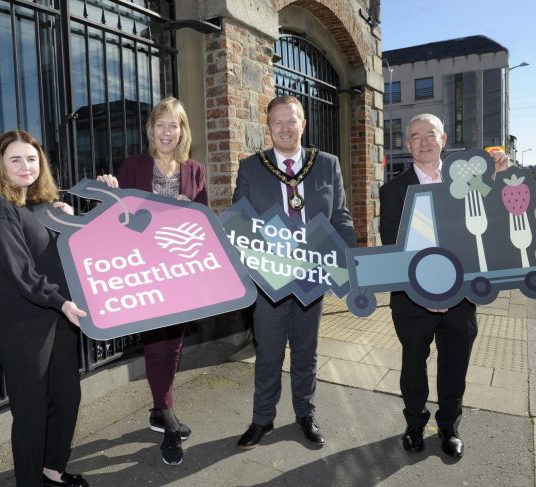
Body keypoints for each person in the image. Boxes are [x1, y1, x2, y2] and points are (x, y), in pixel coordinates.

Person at [379, 113, 509, 459]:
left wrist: (497, 176)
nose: (424, 141)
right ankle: (415, 425)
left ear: (444, 139)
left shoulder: (467, 181)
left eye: (430, 134)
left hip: (461, 298)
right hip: (411, 299)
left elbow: (491, 223)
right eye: (415, 136)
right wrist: (425, 293)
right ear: (408, 146)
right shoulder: (392, 190)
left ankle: (449, 426)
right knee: (413, 366)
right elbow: (393, 246)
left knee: (455, 364)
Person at [232, 95, 357, 449]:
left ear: (304, 124)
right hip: (269, 278)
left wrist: (349, 260)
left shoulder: (327, 164)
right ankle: (262, 419)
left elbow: (340, 216)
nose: (285, 128)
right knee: (268, 353)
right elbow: (239, 218)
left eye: (292, 120)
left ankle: (305, 414)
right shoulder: (251, 167)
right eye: (277, 122)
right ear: (268, 128)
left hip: (312, 276)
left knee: (306, 350)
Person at [0, 130, 89, 487]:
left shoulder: (35, 208)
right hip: (23, 324)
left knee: (67, 397)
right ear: (0, 165)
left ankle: (52, 469)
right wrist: (62, 301)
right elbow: (21, 271)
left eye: (32, 159)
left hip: (57, 318)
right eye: (15, 159)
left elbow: (57, 258)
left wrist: (66, 220)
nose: (25, 166)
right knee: (31, 412)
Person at [97, 97, 207, 465]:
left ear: (182, 131)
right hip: (143, 272)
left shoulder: (195, 171)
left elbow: (207, 221)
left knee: (172, 345)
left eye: (173, 125)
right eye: (160, 124)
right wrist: (109, 192)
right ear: (150, 130)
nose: (166, 132)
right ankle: (168, 419)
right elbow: (115, 217)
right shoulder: (132, 166)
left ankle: (160, 410)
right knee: (154, 343)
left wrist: (189, 211)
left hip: (179, 273)